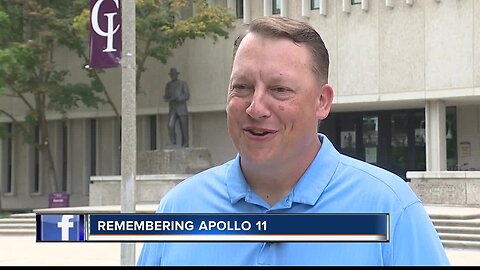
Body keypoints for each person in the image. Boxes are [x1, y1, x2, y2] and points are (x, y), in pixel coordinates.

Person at [138, 16, 449, 266]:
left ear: (322, 102)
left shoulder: (390, 208)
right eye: (242, 87)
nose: (255, 107)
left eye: (280, 89)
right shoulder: (179, 210)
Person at [164, 67, 190, 147]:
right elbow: (166, 97)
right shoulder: (168, 85)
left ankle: (185, 144)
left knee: (184, 128)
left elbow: (187, 95)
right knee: (170, 125)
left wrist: (179, 98)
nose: (173, 76)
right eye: (171, 75)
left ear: (177, 75)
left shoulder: (183, 83)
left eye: (174, 74)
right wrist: (169, 99)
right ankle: (173, 142)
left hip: (181, 109)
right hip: (173, 109)